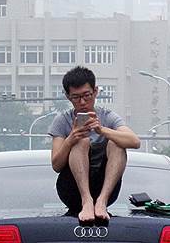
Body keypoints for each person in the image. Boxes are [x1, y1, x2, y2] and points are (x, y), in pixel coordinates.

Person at [49, 66, 141, 224]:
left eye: (87, 95)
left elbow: (134, 141)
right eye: (76, 97)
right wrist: (71, 138)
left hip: (104, 190)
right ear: (68, 97)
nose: (83, 102)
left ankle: (101, 202)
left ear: (96, 91)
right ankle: (87, 201)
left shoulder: (107, 116)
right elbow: (56, 165)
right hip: (72, 191)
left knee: (117, 143)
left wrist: (101, 130)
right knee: (81, 141)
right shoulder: (62, 120)